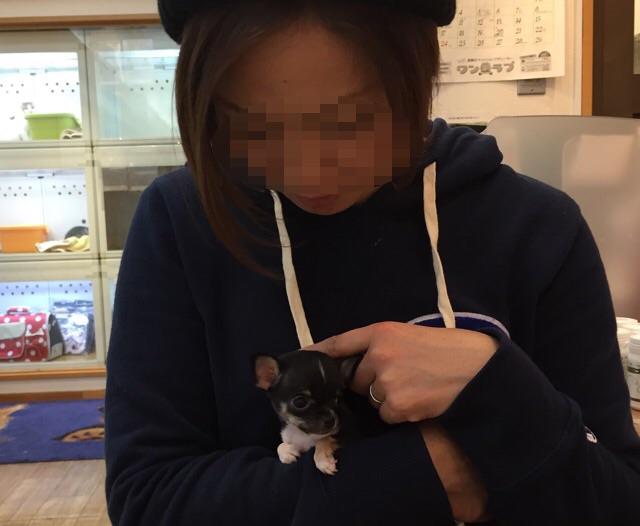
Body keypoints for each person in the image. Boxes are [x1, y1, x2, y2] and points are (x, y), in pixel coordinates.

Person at [104, 0, 640, 524]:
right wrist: (428, 479)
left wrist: (499, 391)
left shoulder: (535, 226)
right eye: (254, 126)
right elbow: (147, 498)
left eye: (351, 121)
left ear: (417, 75)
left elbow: (618, 500)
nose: (308, 173)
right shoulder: (181, 220)